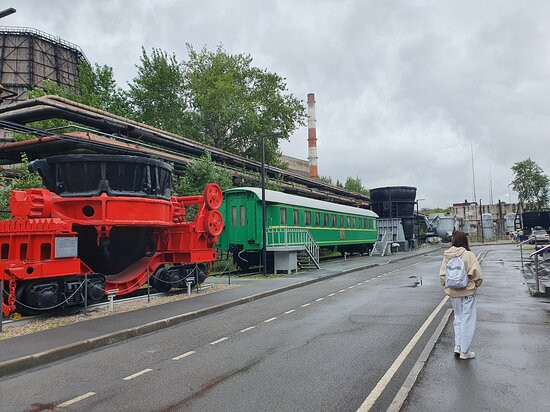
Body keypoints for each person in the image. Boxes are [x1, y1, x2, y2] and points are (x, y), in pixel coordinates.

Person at [439, 230, 483, 360]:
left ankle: (457, 346)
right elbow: (477, 274)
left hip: (453, 293)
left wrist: (447, 285)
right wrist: (475, 285)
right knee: (467, 320)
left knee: (457, 319)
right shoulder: (468, 255)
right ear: (465, 240)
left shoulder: (447, 255)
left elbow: (442, 276)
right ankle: (465, 351)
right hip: (467, 292)